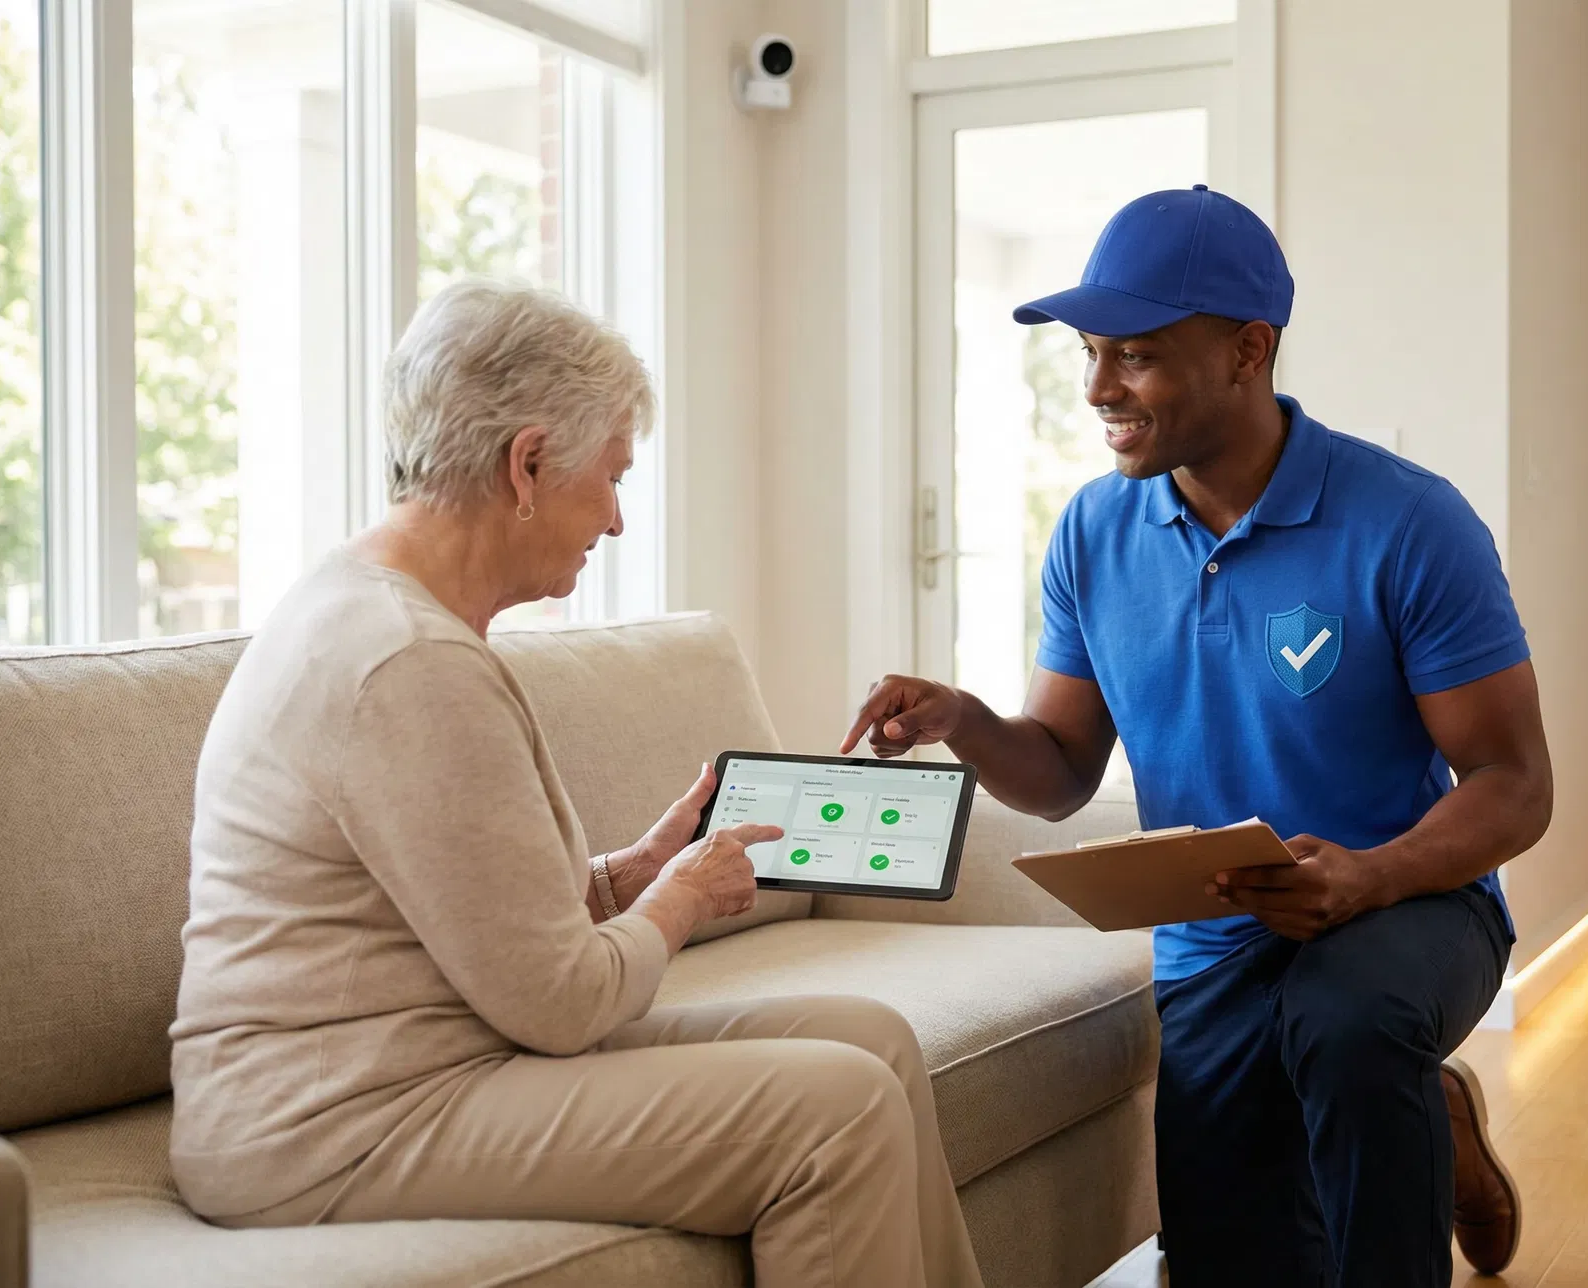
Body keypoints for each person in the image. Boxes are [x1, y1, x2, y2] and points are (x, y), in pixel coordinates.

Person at [170, 279, 984, 1288]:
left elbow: (467, 924)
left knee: (871, 1039)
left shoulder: (394, 618)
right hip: (324, 1120)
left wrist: (628, 875)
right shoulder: (402, 660)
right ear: (527, 463)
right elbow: (559, 1004)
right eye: (610, 477)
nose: (615, 520)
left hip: (419, 1057)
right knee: (839, 1109)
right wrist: (680, 900)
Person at [843, 187, 1549, 1287]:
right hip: (1218, 932)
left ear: (1247, 352)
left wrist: (1368, 876)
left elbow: (1513, 783)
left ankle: (1399, 1088)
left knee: (1350, 1025)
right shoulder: (1092, 530)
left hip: (1412, 903)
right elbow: (1065, 772)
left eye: (1133, 355)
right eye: (1089, 353)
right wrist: (969, 723)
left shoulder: (1411, 521)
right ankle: (1433, 1115)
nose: (1096, 389)